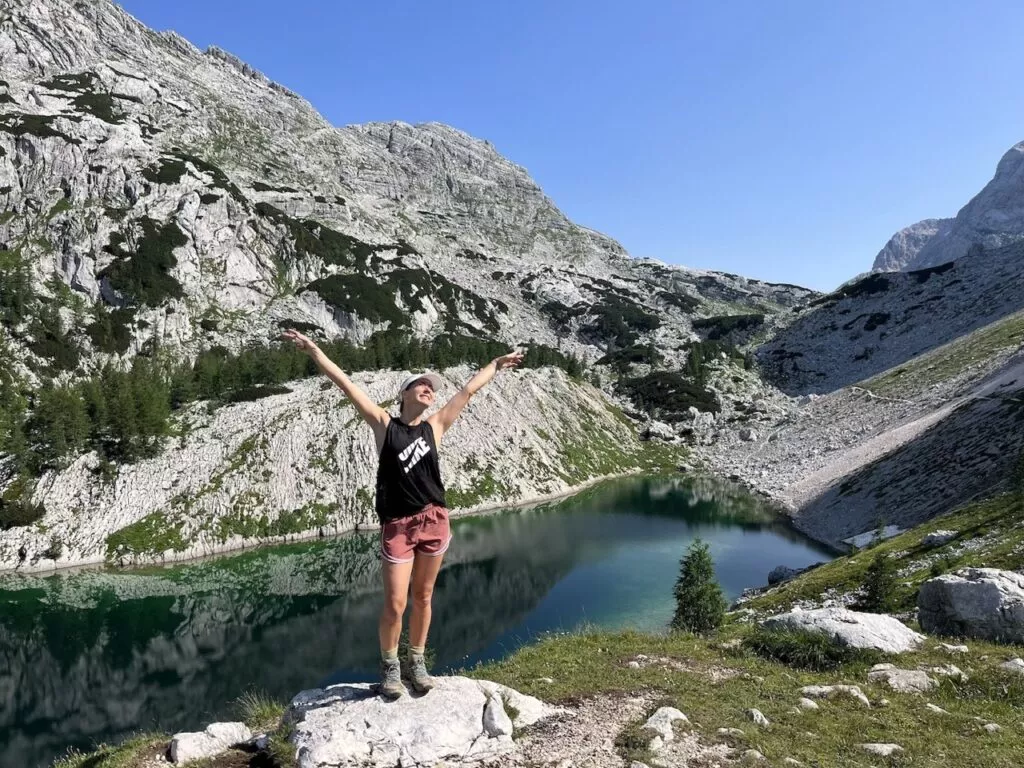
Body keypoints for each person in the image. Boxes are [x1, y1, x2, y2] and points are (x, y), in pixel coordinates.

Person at [282, 329, 524, 698]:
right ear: (404, 394)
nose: (429, 389)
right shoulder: (385, 426)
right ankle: (390, 667)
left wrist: (495, 364)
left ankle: (417, 662)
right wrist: (315, 352)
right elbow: (347, 385)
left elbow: (469, 391)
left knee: (424, 597)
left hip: (434, 520)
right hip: (398, 525)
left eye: (432, 387)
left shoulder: (435, 426)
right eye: (421, 385)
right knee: (395, 603)